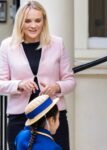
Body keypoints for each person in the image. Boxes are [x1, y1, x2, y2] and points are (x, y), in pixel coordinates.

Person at [0, 1, 76, 150]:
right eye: (27, 21)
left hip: (53, 117)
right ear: (20, 22)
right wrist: (18, 85)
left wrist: (57, 86)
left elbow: (70, 81)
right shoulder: (7, 46)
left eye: (37, 20)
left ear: (44, 21)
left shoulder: (57, 44)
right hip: (20, 118)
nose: (33, 25)